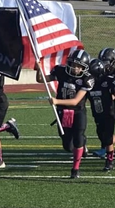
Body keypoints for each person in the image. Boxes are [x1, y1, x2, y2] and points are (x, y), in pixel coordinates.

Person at [35, 49, 94, 178]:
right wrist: (38, 68)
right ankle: (81, 146)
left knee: (78, 137)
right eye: (74, 64)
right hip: (63, 111)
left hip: (78, 111)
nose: (75, 68)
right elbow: (41, 80)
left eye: (79, 66)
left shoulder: (87, 78)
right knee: (68, 145)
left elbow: (76, 101)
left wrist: (56, 101)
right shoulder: (61, 71)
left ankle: (75, 169)